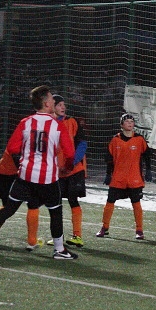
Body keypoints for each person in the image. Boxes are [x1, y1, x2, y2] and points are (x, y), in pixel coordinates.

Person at [0, 85, 78, 260]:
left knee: (9, 208)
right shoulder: (58, 125)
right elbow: (70, 153)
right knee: (55, 212)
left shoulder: (26, 122)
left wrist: (24, 159)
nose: (54, 101)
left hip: (25, 176)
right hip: (47, 178)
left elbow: (12, 147)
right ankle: (59, 250)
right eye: (52, 99)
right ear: (47, 104)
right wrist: (67, 166)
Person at [96, 113, 151, 240]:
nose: (130, 123)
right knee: (110, 202)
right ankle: (105, 227)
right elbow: (109, 159)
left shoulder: (139, 139)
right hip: (118, 178)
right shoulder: (115, 140)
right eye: (127, 122)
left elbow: (147, 155)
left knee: (136, 203)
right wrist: (108, 174)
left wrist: (149, 170)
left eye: (132, 121)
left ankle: (139, 230)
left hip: (134, 179)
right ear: (121, 125)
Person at [53, 94, 87, 247]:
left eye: (63, 105)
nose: (63, 107)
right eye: (59, 105)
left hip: (74, 170)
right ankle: (58, 237)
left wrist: (72, 162)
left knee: (73, 201)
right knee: (56, 204)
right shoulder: (49, 123)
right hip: (57, 172)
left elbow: (83, 143)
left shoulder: (72, 121)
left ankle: (77, 236)